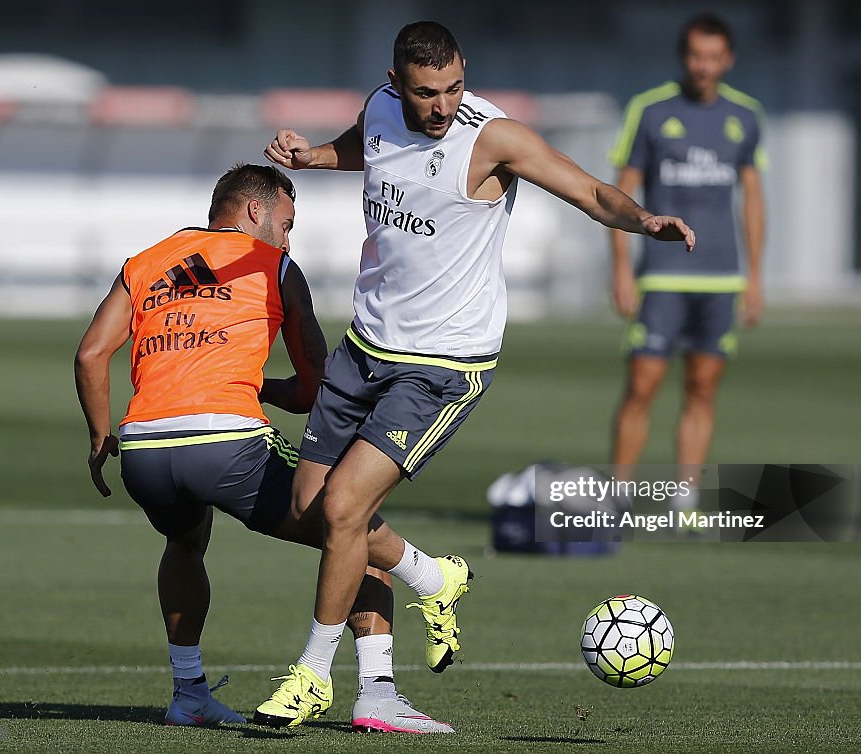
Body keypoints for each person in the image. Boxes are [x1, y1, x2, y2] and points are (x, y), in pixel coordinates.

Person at [255, 21, 695, 727]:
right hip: (366, 348)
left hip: (441, 365)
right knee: (317, 512)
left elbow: (586, 190)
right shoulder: (380, 108)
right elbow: (364, 146)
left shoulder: (494, 138)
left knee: (343, 511)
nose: (442, 105)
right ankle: (428, 587)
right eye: (427, 92)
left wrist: (644, 221)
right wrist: (312, 156)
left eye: (454, 87)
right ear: (397, 83)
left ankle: (312, 675)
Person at [74, 163, 455, 734]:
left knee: (184, 541)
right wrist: (262, 389)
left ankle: (189, 694)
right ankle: (396, 653)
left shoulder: (144, 262)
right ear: (256, 210)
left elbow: (90, 355)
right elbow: (315, 387)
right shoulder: (276, 268)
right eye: (287, 221)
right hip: (224, 444)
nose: (287, 235)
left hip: (146, 451)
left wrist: (102, 435)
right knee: (348, 525)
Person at [608, 13, 766, 498]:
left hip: (721, 278)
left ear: (728, 60)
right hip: (661, 275)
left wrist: (755, 276)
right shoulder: (650, 110)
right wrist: (620, 267)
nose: (704, 66)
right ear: (684, 57)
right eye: (697, 56)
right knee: (642, 384)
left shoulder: (746, 116)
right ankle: (617, 495)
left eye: (714, 57)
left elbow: (753, 197)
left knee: (702, 387)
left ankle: (686, 496)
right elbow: (622, 192)